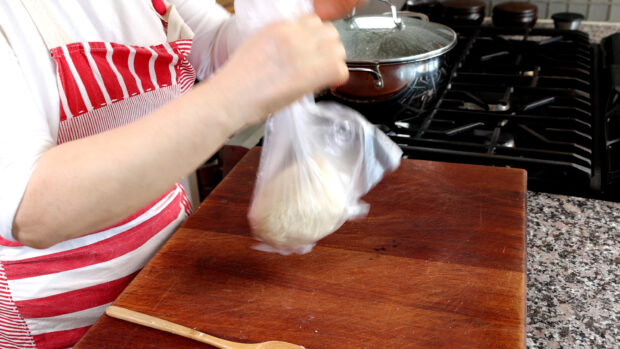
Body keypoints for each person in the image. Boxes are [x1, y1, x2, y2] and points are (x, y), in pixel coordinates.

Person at [0, 0, 362, 347]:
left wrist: (294, 21)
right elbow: (33, 208)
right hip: (60, 314)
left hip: (169, 270)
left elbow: (214, 44)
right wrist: (236, 95)